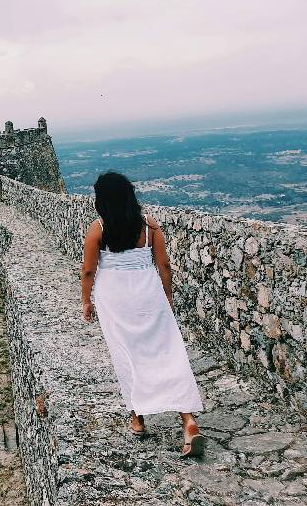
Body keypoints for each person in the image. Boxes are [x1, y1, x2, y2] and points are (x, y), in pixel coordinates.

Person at [80, 171, 205, 457]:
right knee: (166, 352)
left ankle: (137, 418)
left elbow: (88, 270)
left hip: (115, 298)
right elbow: (165, 266)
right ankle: (187, 420)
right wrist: (167, 297)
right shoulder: (149, 226)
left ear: (103, 200)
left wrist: (86, 301)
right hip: (150, 293)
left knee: (126, 355)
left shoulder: (98, 229)